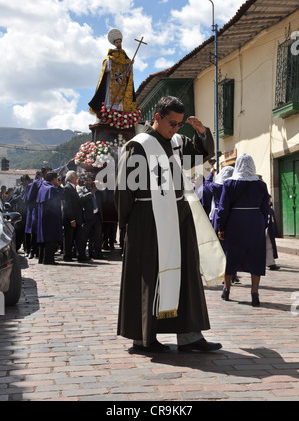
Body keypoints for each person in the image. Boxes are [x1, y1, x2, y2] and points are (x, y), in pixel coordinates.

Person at [115, 95, 224, 353]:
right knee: (149, 275)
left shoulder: (178, 143)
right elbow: (123, 190)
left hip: (179, 215)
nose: (175, 129)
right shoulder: (137, 145)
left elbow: (200, 155)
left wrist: (201, 133)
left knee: (185, 271)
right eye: (171, 123)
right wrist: (126, 225)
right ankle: (144, 338)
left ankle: (189, 336)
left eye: (179, 124)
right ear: (157, 117)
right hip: (146, 218)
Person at [217, 153, 269, 306]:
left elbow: (223, 208)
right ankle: (255, 292)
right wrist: (263, 224)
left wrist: (221, 227)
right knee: (256, 255)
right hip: (255, 222)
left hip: (235, 222)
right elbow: (265, 207)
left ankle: (226, 289)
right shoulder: (261, 184)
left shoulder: (229, 184)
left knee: (231, 255)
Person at [89, 28, 137, 114]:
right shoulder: (111, 53)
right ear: (114, 44)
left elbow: (128, 69)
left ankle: (118, 113)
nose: (119, 44)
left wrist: (130, 64)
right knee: (109, 96)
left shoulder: (124, 55)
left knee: (121, 98)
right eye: (117, 42)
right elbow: (105, 65)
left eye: (120, 42)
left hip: (121, 81)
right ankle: (108, 112)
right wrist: (109, 60)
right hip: (111, 81)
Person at [36, 171, 64, 265]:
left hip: (42, 215)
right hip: (51, 216)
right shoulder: (51, 188)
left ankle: (41, 259)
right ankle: (49, 259)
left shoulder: (42, 186)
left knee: (43, 237)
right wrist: (59, 186)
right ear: (53, 179)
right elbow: (61, 195)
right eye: (56, 179)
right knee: (51, 237)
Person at [77, 173, 105, 260]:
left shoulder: (96, 190)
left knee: (97, 236)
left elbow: (104, 198)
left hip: (97, 216)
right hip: (87, 217)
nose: (89, 182)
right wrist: (91, 193)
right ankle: (81, 254)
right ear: (84, 181)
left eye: (90, 180)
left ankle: (96, 253)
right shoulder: (81, 189)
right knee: (84, 237)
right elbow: (80, 199)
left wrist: (100, 187)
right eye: (87, 180)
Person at [62, 171, 85, 262]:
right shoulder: (67, 188)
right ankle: (67, 256)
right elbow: (67, 205)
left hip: (77, 218)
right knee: (69, 239)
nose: (77, 178)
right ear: (71, 178)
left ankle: (80, 256)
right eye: (76, 176)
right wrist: (72, 219)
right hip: (71, 219)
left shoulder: (73, 188)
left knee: (78, 238)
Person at [266, 196, 280, 271]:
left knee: (268, 247)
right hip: (266, 230)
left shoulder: (269, 210)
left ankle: (270, 262)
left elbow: (273, 222)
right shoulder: (267, 210)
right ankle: (270, 263)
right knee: (268, 247)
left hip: (268, 231)